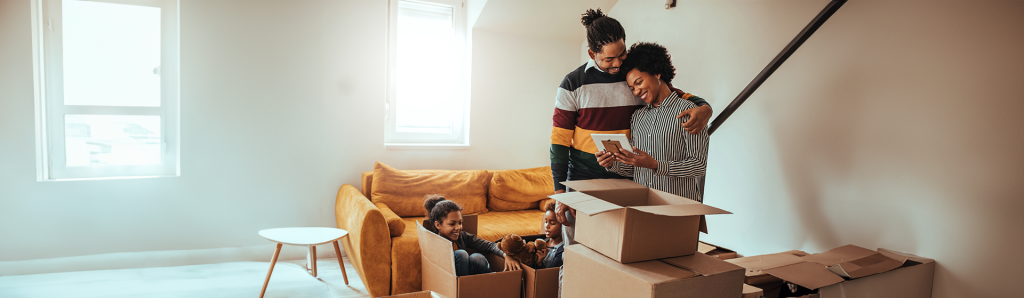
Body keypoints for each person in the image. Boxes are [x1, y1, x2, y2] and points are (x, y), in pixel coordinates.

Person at [550, 8, 713, 243]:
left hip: (628, 183)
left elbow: (670, 92)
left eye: (622, 54)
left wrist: (704, 107)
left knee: (619, 252)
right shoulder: (572, 84)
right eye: (609, 59)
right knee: (578, 252)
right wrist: (560, 194)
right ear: (591, 53)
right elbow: (559, 142)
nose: (617, 64)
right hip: (583, 178)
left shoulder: (631, 73)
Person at [596, 42, 709, 202]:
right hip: (643, 207)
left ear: (657, 73)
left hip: (679, 208)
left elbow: (698, 165)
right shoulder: (638, 117)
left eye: (639, 82)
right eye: (632, 88)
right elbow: (636, 168)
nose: (636, 91)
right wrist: (611, 163)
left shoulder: (688, 111)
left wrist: (656, 165)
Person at [423, 195, 521, 276]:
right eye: (452, 224)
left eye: (460, 223)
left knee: (477, 257)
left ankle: (492, 287)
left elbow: (489, 245)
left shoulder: (462, 236)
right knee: (461, 253)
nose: (458, 227)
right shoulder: (433, 241)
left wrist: (506, 255)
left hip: (470, 282)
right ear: (438, 225)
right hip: (449, 282)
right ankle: (463, 290)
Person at [535, 203, 564, 269]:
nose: (546, 226)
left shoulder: (561, 251)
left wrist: (539, 263)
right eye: (546, 222)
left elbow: (550, 275)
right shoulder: (540, 241)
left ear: (563, 226)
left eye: (552, 223)